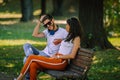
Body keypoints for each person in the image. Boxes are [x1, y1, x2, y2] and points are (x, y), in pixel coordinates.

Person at [16, 17, 83, 80]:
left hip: (61, 62)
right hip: (56, 58)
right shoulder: (69, 35)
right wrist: (57, 52)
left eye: (67, 25)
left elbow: (72, 55)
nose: (66, 26)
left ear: (72, 26)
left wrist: (59, 56)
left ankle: (19, 78)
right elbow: (65, 48)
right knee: (33, 64)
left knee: (31, 57)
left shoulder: (77, 38)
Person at [23, 14, 68, 80]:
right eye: (45, 25)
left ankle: (27, 77)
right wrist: (39, 22)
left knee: (25, 59)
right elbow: (34, 34)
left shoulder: (63, 32)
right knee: (26, 45)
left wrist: (61, 40)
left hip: (49, 56)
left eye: (49, 23)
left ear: (52, 20)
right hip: (42, 52)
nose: (48, 26)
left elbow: (71, 41)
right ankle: (30, 58)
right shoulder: (47, 32)